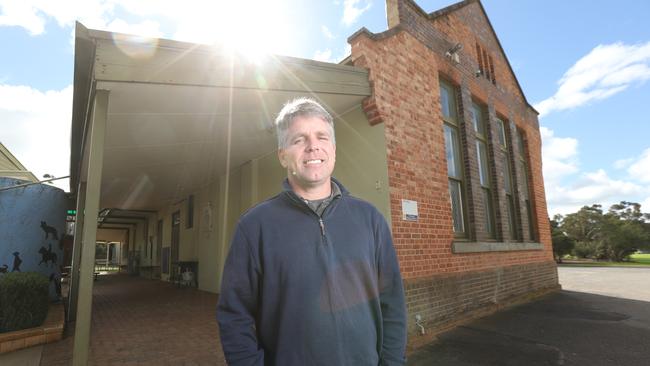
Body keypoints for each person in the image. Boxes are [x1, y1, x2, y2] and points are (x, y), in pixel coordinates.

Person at [217, 98, 407, 366]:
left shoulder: (370, 220)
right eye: (299, 139)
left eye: (322, 137)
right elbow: (234, 316)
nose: (313, 146)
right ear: (283, 154)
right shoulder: (254, 227)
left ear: (334, 149)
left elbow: (393, 305)